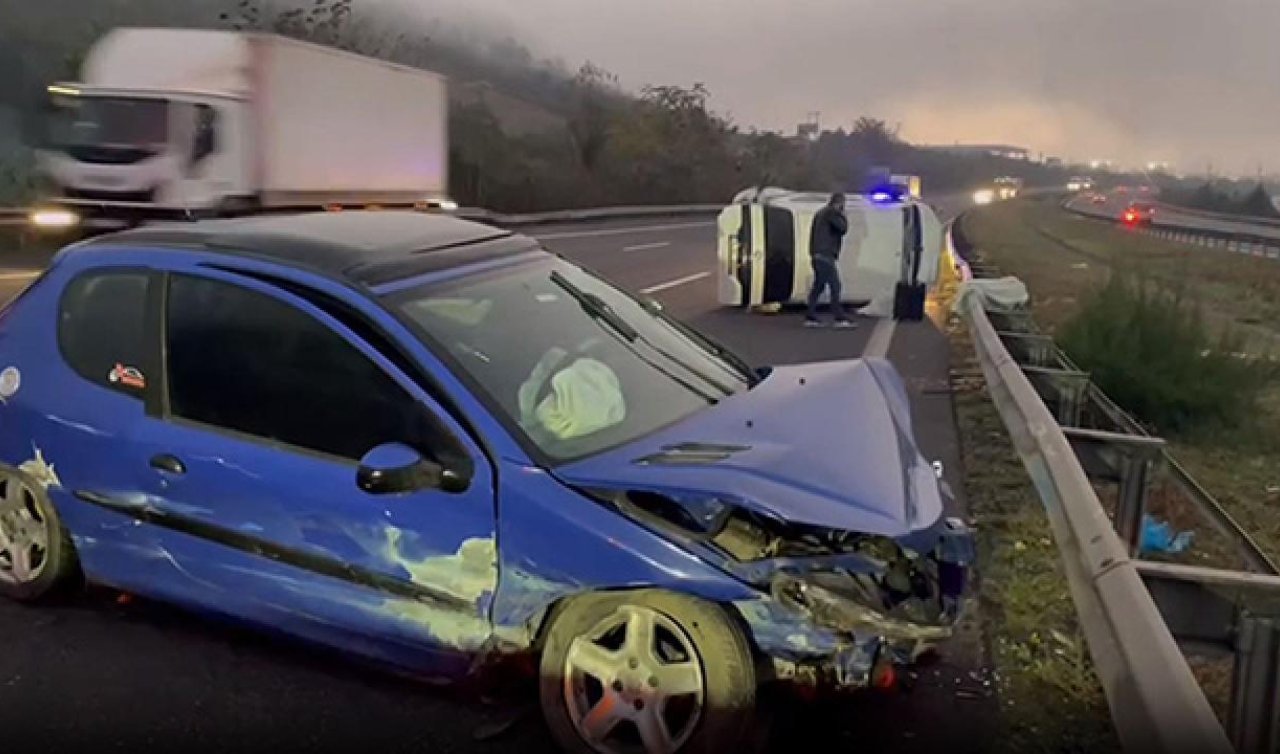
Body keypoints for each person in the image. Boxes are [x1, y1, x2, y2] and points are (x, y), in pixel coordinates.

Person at [805, 192, 855, 328]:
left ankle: (810, 315)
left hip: (817, 254)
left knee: (819, 286)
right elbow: (843, 229)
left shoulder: (820, 213)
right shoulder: (832, 214)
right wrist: (842, 215)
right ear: (839, 203)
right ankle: (839, 317)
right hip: (826, 255)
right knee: (835, 285)